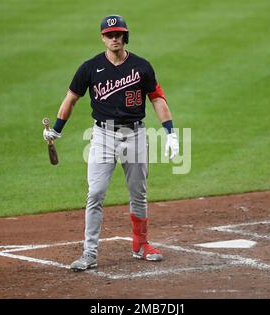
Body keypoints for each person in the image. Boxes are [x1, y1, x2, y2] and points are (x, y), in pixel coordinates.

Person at [43, 15, 179, 271]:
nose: (114, 38)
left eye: (118, 34)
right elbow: (70, 99)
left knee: (138, 193)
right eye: (109, 34)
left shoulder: (141, 67)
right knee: (95, 193)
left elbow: (157, 99)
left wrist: (170, 132)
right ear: (102, 37)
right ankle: (89, 254)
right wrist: (57, 131)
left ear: (125, 36)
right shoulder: (89, 68)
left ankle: (141, 244)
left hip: (136, 134)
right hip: (103, 137)